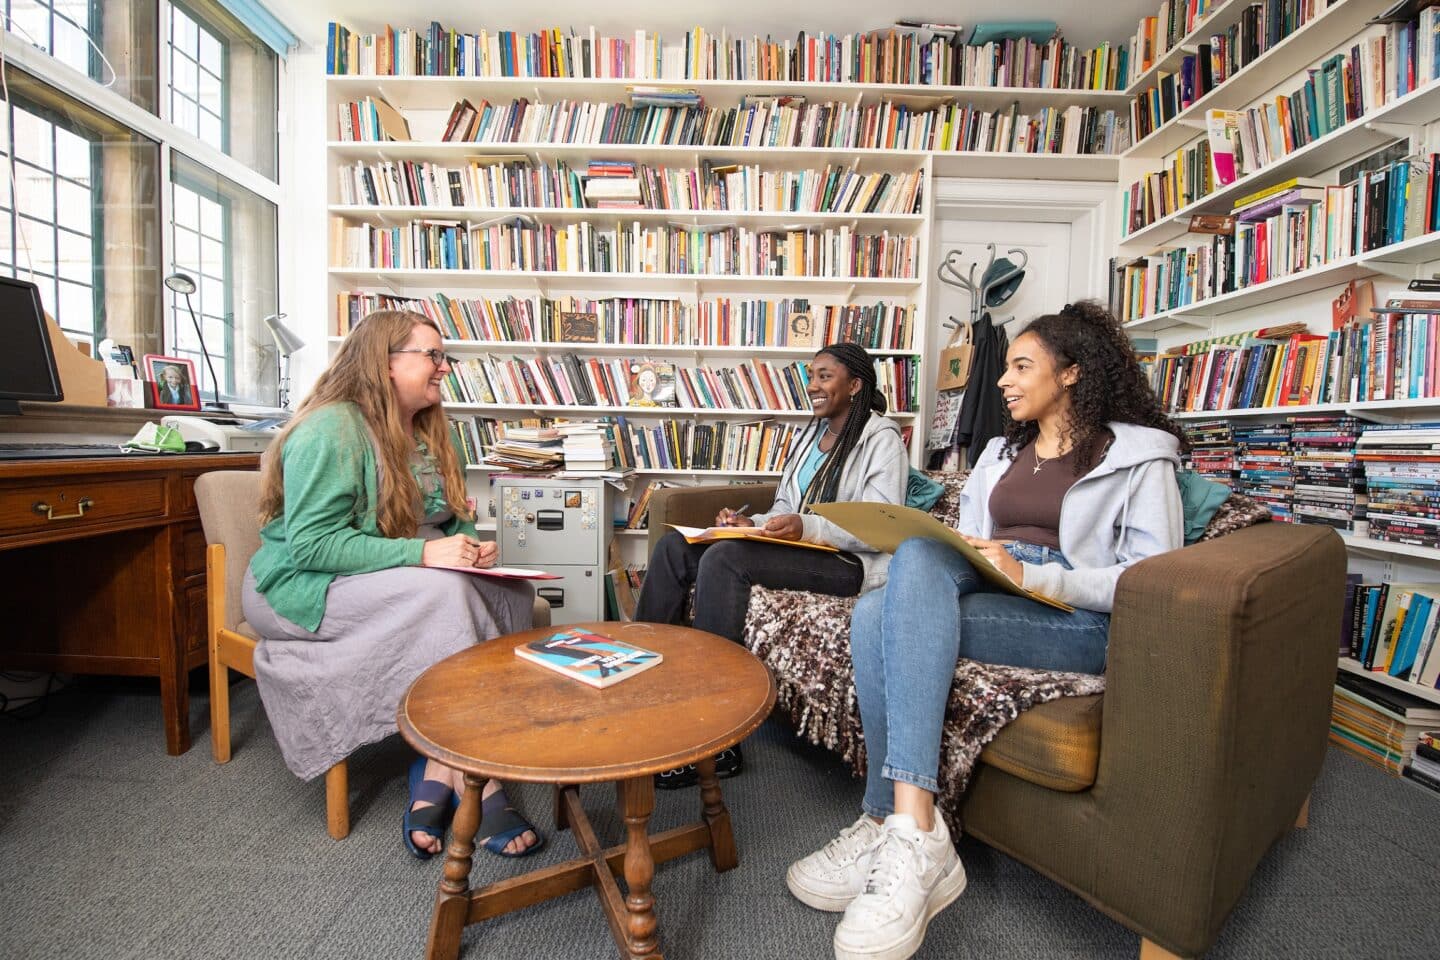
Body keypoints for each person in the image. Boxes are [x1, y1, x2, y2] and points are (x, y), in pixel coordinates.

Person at [787, 301, 1185, 960]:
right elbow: (970, 538)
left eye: (1021, 365)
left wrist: (1040, 580)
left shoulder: (1139, 457)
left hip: (1073, 615)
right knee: (885, 594)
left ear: (1072, 373)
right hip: (990, 586)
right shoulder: (1001, 451)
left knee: (883, 613)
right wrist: (969, 554)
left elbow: (1152, 577)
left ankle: (905, 823)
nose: (1002, 380)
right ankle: (898, 820)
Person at [243, 309, 542, 860]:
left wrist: (471, 545)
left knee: (513, 592)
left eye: (441, 356)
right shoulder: (331, 428)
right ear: (384, 363)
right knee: (443, 593)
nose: (443, 368)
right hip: (301, 587)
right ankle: (478, 776)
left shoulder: (425, 431)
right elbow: (312, 547)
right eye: (431, 355)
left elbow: (451, 516)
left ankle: (439, 758)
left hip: (385, 574)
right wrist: (426, 553)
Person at [635, 342, 908, 786]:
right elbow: (785, 504)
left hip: (849, 563)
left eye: (825, 376)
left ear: (855, 385)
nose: (813, 385)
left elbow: (880, 523)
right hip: (801, 549)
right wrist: (753, 522)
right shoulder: (809, 435)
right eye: (812, 376)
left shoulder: (882, 439)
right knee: (675, 548)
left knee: (725, 560)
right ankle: (639, 695)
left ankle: (716, 738)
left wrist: (806, 527)